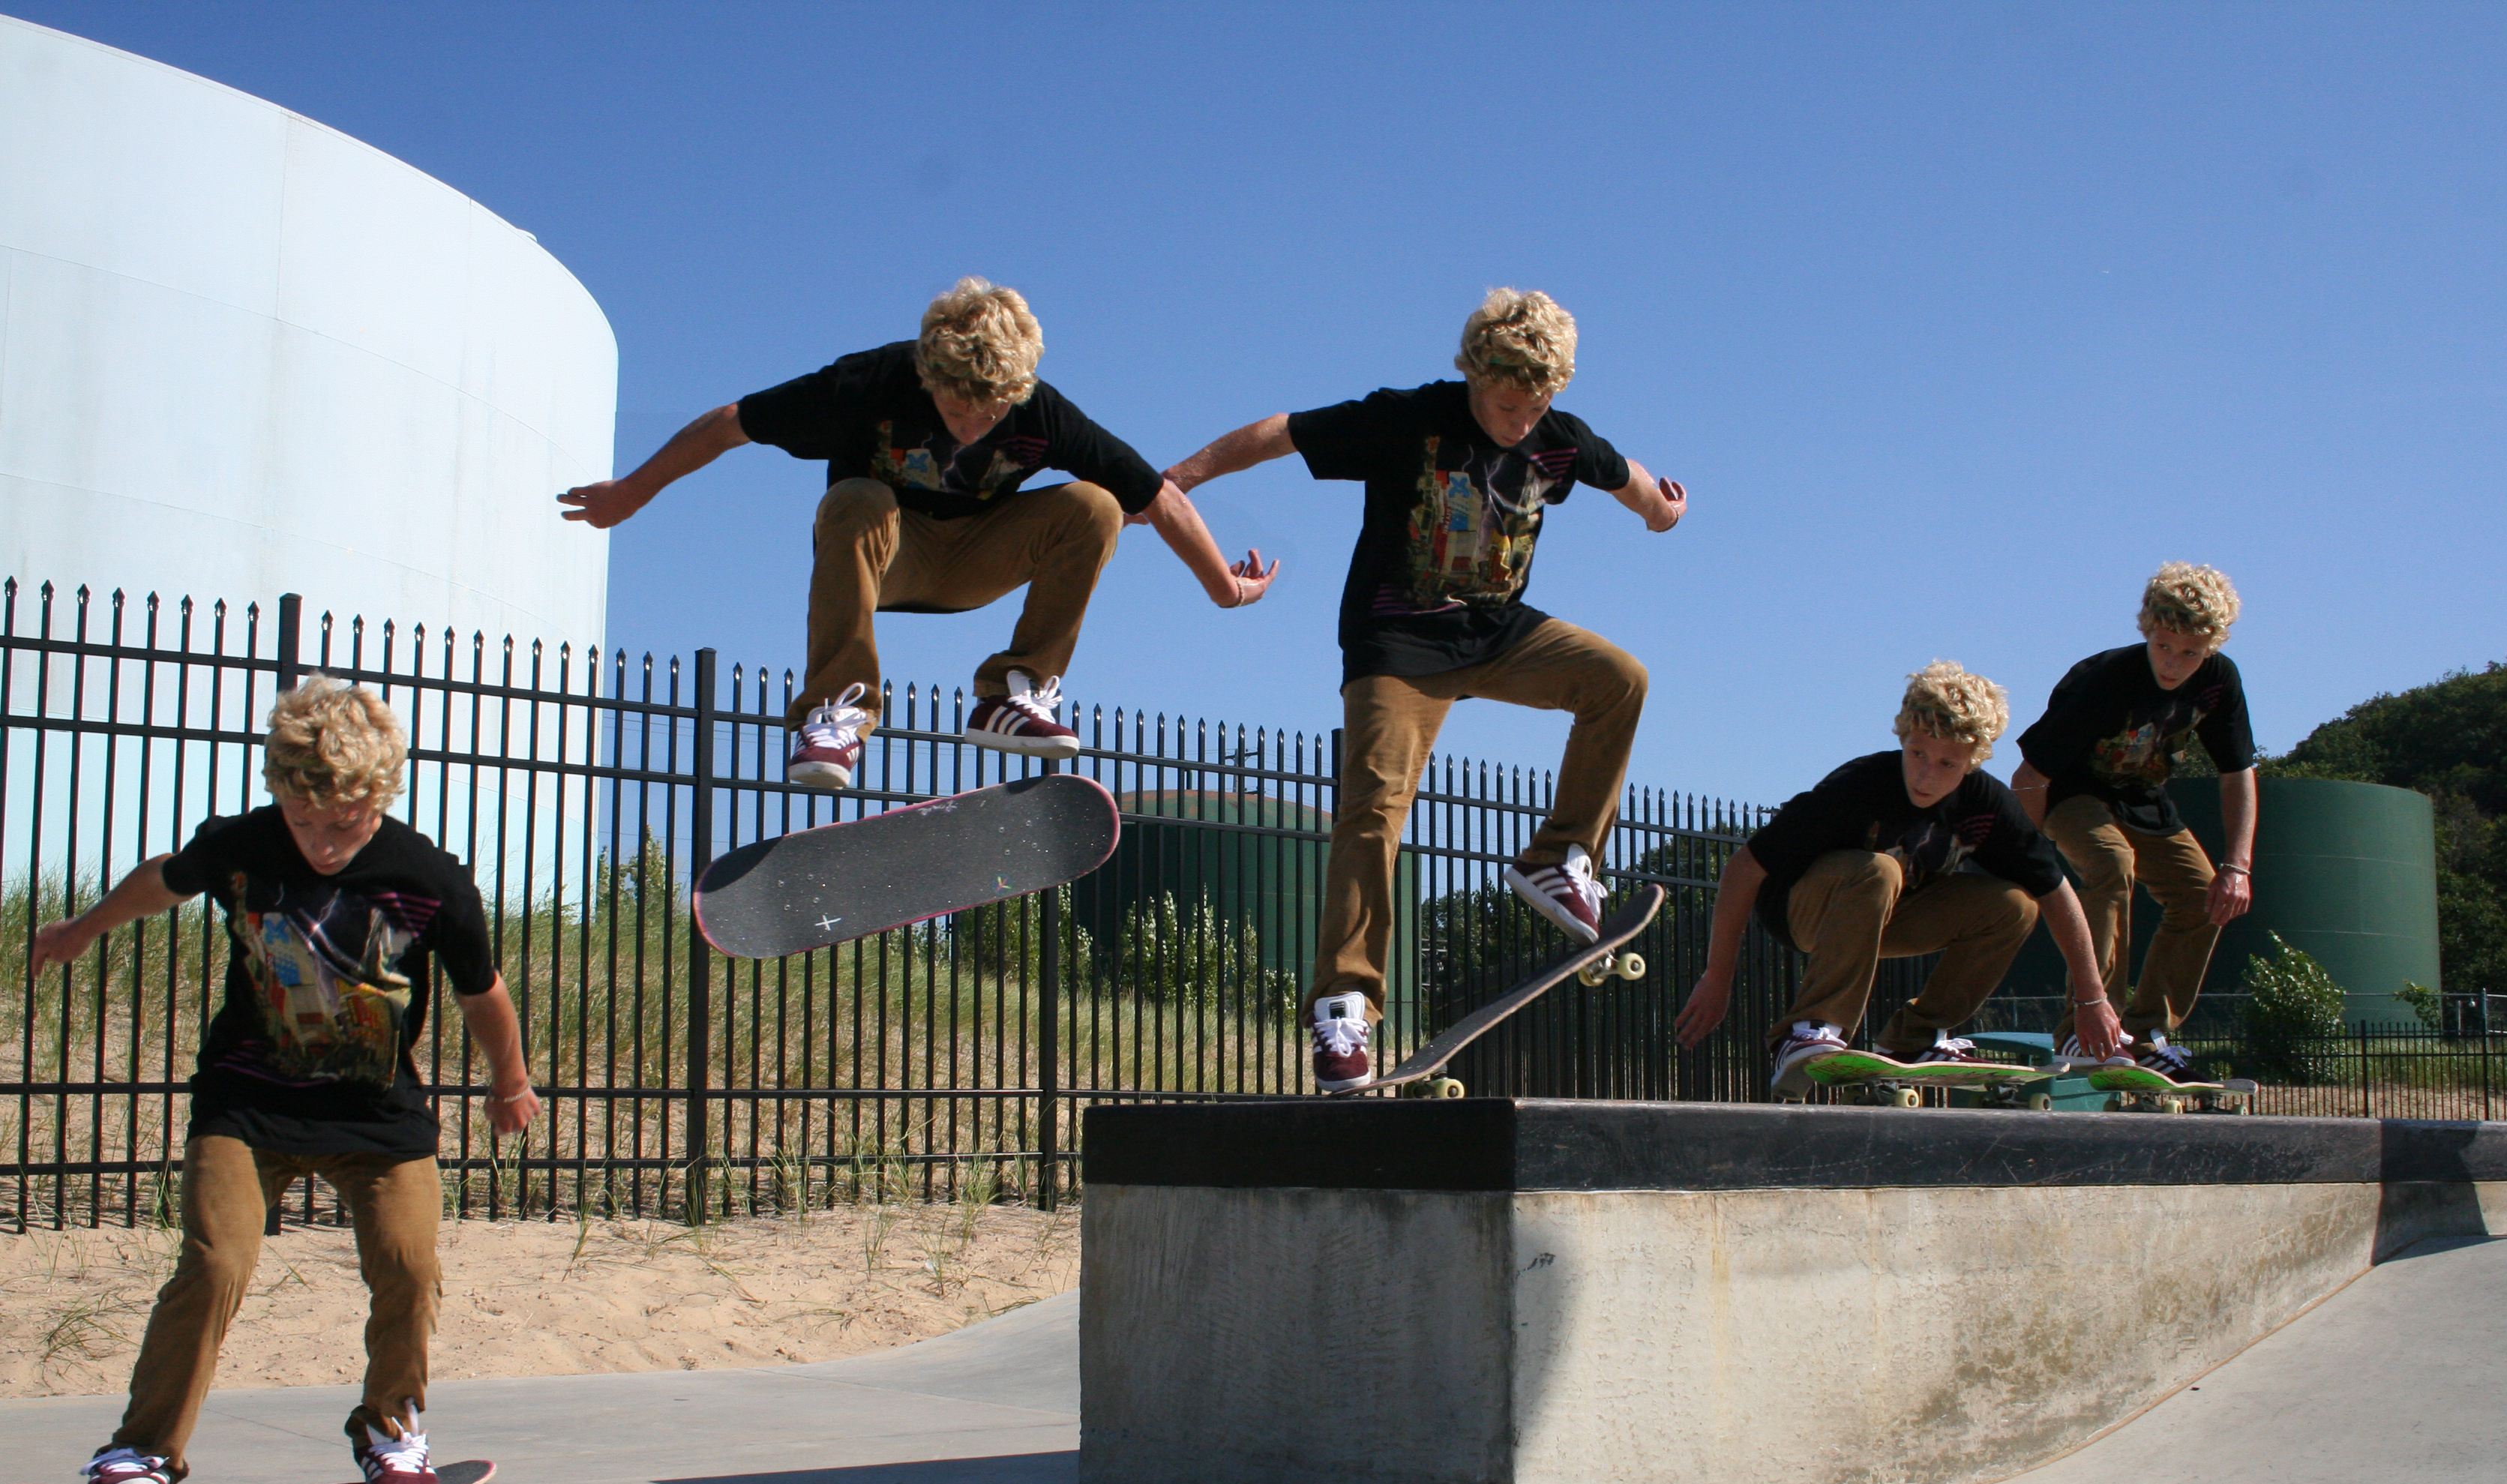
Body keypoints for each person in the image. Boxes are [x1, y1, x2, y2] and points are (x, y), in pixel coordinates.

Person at [31, 678, 541, 1484]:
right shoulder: (244, 844)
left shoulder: (429, 878)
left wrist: (510, 1083)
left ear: (377, 796)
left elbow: (480, 991)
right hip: (246, 1108)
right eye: (304, 822)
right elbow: (166, 879)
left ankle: (390, 1432)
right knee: (215, 1262)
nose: (323, 843)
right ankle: (143, 1449)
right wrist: (86, 928)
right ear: (280, 796)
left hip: (376, 1118)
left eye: (343, 822)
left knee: (410, 1269)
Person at [1157, 288, 1689, 1093]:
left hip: (1498, 634)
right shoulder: (1406, 418)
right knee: (1374, 806)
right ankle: (1345, 1006)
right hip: (1397, 644)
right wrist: (1182, 479)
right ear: (1475, 376)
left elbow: (1629, 478)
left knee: (1620, 680)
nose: (1520, 419)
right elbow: (1282, 433)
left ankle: (1559, 858)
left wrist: (1660, 515)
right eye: (1507, 403)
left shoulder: (1560, 439)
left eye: (1536, 404)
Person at [557, 277, 1275, 787]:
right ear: (929, 373)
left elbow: (1161, 498)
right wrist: (631, 492)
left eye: (989, 414)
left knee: (1095, 504)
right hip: (888, 551)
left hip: (975, 561)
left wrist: (1226, 592)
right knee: (857, 498)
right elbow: (728, 426)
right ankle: (837, 713)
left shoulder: (1043, 413)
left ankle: (1013, 695)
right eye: (957, 406)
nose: (970, 424)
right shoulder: (867, 383)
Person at [1673, 661, 2125, 1096]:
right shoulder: (1862, 784)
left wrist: (2091, 1000)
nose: (1926, 777)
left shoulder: (1988, 806)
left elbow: (2058, 894)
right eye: (1918, 754)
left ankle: (1916, 1038)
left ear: (1973, 760)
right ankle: (1810, 1028)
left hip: (1886, 914)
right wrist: (1718, 976)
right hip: (1805, 908)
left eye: (1948, 764)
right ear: (1904, 737)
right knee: (1879, 868)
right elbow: (1743, 869)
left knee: (2015, 904)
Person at [2008, 562, 2257, 1077]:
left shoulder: (2218, 681)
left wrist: (2238, 865)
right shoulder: (2108, 680)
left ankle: (2146, 1035)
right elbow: (2029, 776)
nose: (2173, 663)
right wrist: (2027, 865)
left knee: (2201, 894)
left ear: (2211, 647)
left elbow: (2237, 773)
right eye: (2164, 646)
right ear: (2147, 630)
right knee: (2110, 863)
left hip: (2142, 797)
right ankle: (2087, 1029)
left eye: (2190, 653)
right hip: (2071, 790)